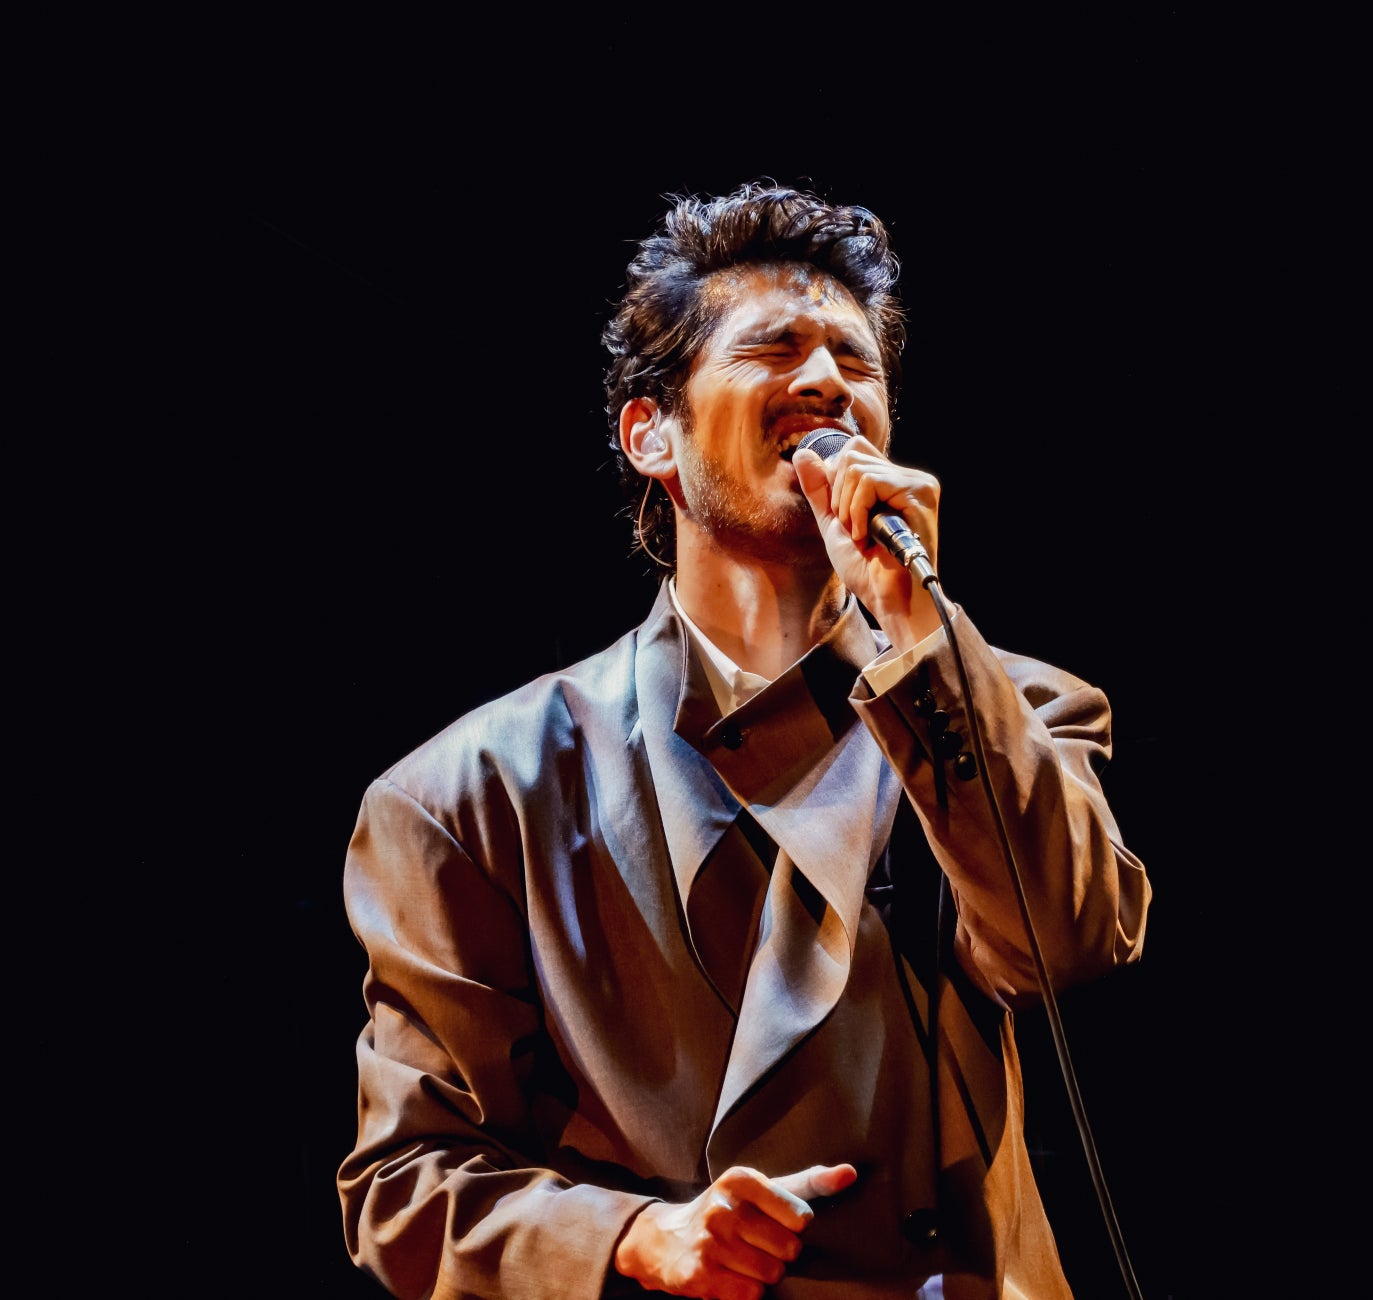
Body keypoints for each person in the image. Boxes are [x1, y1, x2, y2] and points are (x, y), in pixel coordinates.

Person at [337, 179, 1154, 1299]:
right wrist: (634, 1236)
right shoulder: (469, 794)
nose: (827, 381)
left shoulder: (1007, 706)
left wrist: (920, 633)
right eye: (775, 348)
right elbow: (405, 1180)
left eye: (856, 362)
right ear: (651, 435)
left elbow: (1065, 942)